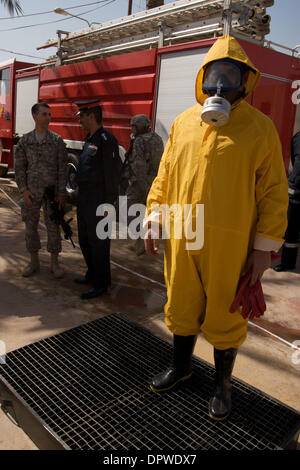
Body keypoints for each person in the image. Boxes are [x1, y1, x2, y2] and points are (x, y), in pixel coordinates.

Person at [143, 35, 288, 421]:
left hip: (231, 243)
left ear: (247, 81)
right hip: (182, 234)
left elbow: (274, 191)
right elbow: (165, 175)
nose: (221, 85)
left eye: (232, 75)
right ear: (202, 79)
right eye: (215, 74)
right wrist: (155, 218)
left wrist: (263, 248)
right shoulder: (183, 123)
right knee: (182, 302)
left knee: (226, 311)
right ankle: (182, 366)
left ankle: (222, 385)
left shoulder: (260, 129)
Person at [74, 100, 122, 300]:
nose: (80, 122)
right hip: (84, 198)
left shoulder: (106, 139)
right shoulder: (89, 138)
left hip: (98, 200)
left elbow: (113, 175)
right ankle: (92, 273)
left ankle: (101, 283)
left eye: (82, 117)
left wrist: (108, 204)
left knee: (99, 243)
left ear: (91, 116)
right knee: (85, 239)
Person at [14, 102, 68, 278]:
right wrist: (23, 190)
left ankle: (54, 263)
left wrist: (61, 193)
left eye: (49, 114)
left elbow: (62, 169)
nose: (48, 118)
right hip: (31, 193)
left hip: (51, 193)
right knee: (30, 227)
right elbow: (20, 168)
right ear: (35, 116)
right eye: (44, 114)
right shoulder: (25, 141)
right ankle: (33, 262)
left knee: (53, 227)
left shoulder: (57, 141)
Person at [122, 114, 164, 255]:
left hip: (140, 184)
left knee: (129, 210)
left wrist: (143, 186)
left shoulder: (139, 141)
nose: (132, 129)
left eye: (134, 126)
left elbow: (139, 166)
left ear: (140, 127)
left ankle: (140, 242)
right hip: (154, 182)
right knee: (147, 212)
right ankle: (143, 242)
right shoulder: (157, 138)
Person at [274, 131, 300, 271]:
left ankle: (288, 263)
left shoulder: (297, 137)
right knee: (291, 232)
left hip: (295, 194)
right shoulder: (298, 137)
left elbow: (298, 167)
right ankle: (287, 262)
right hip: (295, 193)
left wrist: (291, 186)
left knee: (291, 231)